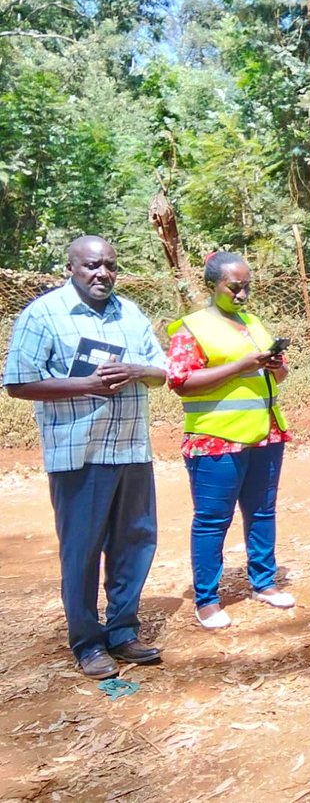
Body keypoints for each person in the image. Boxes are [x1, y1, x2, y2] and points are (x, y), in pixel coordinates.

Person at [3, 236, 167, 678]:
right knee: (82, 551)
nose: (103, 274)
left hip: (132, 448)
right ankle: (87, 642)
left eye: (110, 266)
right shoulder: (44, 314)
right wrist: (85, 385)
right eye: (92, 265)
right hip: (80, 453)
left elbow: (162, 371)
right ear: (71, 267)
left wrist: (136, 370)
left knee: (135, 541)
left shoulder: (129, 313)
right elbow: (17, 383)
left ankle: (123, 631)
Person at [167, 252, 295, 629]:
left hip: (265, 433)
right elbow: (180, 382)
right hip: (216, 440)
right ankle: (206, 599)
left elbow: (280, 375)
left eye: (247, 287)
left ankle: (264, 583)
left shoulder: (252, 322)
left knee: (262, 511)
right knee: (211, 520)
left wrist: (276, 365)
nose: (242, 294)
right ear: (213, 285)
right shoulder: (191, 328)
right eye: (234, 287)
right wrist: (241, 366)